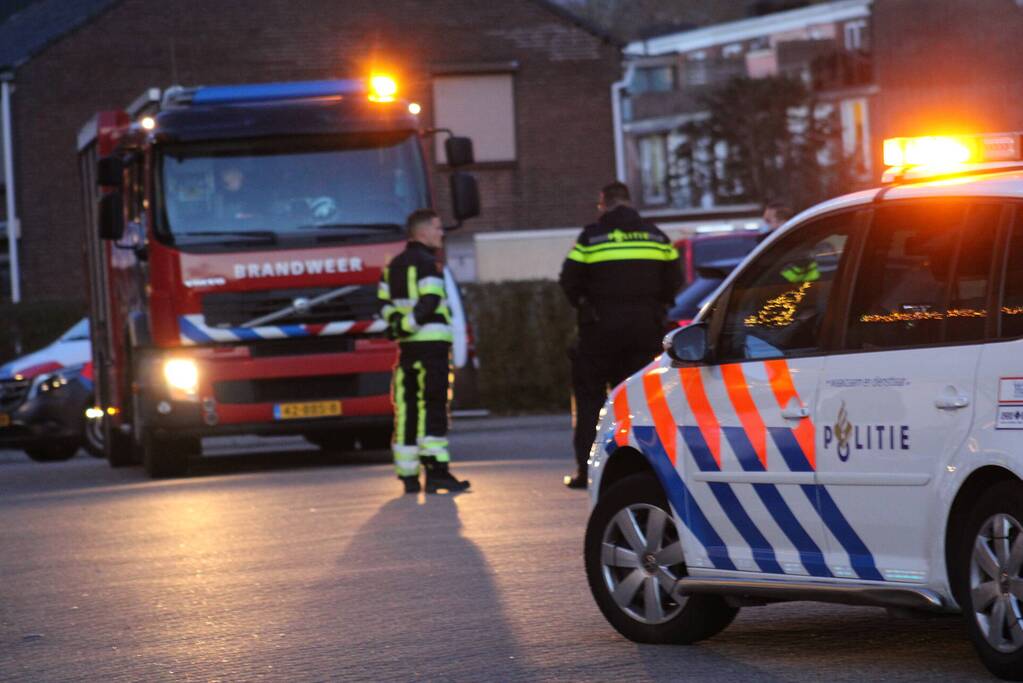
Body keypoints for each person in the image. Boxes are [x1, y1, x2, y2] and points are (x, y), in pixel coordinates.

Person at [559, 182, 683, 489]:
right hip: (645, 332)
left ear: (604, 204)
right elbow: (675, 278)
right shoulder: (656, 236)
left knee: (590, 401)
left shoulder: (591, 238)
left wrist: (587, 306)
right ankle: (644, 472)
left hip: (600, 333)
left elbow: (569, 280)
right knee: (641, 403)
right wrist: (656, 306)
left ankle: (587, 473)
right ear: (629, 202)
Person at [378, 208, 470, 494]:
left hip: (407, 350)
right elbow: (430, 300)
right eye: (437, 227)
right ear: (422, 232)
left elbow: (384, 306)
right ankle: (436, 473)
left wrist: (399, 328)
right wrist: (409, 325)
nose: (441, 233)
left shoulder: (392, 266)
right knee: (433, 406)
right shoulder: (430, 264)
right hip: (432, 348)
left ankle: (407, 475)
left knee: (407, 409)